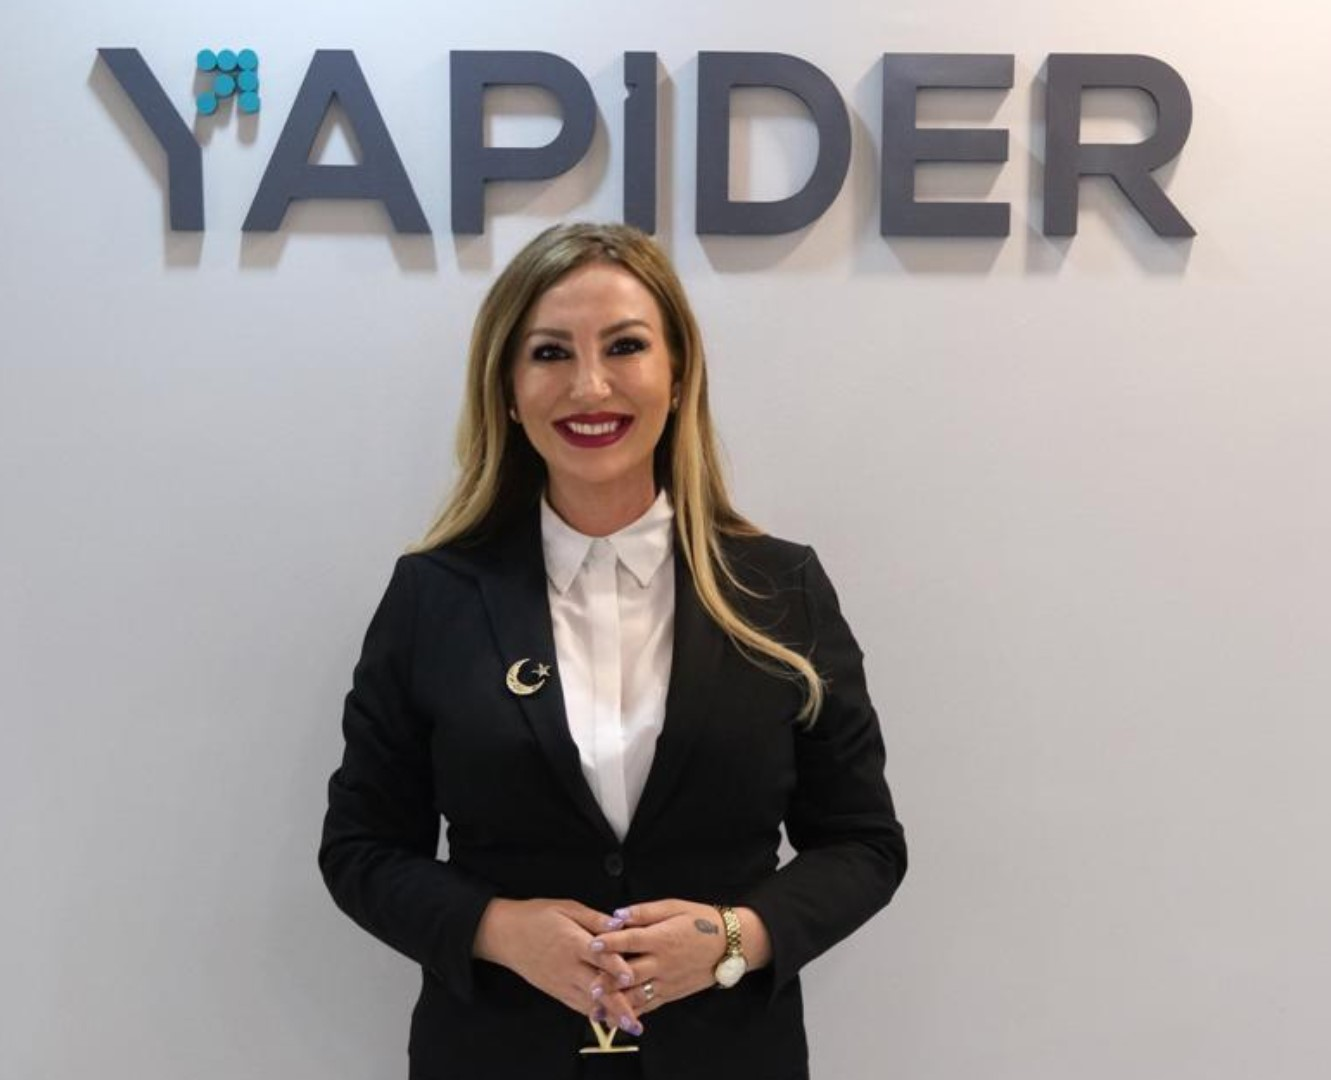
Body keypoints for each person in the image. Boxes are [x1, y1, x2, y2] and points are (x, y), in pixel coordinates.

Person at [319, 222, 906, 1080]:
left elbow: (862, 844)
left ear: (678, 375)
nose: (588, 385)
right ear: (507, 391)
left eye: (625, 346)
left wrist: (735, 938)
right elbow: (361, 849)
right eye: (550, 353)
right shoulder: (434, 596)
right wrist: (497, 930)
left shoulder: (780, 588)